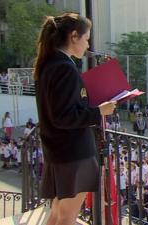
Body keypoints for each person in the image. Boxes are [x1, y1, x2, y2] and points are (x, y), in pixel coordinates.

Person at [34, 13, 116, 225]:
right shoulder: (64, 67)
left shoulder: (49, 64)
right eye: (86, 38)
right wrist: (100, 111)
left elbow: (59, 109)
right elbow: (64, 116)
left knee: (57, 213)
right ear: (73, 36)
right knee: (66, 218)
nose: (87, 44)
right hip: (73, 154)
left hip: (59, 151)